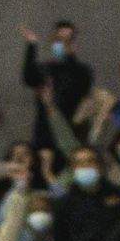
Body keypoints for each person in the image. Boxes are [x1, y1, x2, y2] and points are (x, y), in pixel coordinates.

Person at [21, 21, 94, 159]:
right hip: (44, 134)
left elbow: (80, 87)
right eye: (59, 40)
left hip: (70, 134)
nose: (62, 44)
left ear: (74, 44)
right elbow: (28, 77)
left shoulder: (82, 71)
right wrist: (32, 45)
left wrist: (70, 57)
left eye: (68, 41)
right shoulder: (45, 69)